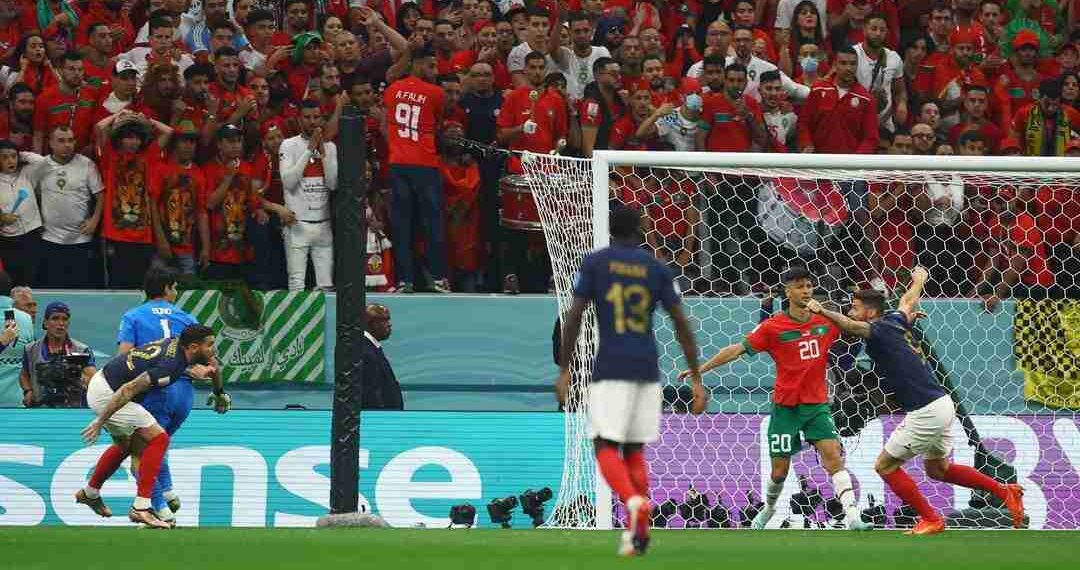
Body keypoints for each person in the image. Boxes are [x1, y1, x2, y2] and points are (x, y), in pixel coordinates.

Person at [807, 267, 1025, 535]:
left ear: (871, 312)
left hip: (926, 411)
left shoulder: (877, 329)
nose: (852, 312)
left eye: (855, 307)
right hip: (941, 404)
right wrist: (920, 279)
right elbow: (907, 301)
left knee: (884, 466)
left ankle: (931, 518)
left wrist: (822, 311)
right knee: (938, 469)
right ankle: (1004, 491)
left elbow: (851, 326)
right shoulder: (894, 322)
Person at [557, 204, 705, 557]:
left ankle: (633, 501)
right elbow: (681, 323)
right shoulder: (656, 268)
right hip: (648, 367)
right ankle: (638, 535)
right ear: (640, 230)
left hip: (611, 366)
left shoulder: (596, 263)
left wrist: (565, 369)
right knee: (635, 448)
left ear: (610, 229)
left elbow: (575, 315)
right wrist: (696, 376)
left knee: (605, 445)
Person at [681, 266, 873, 531]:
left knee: (833, 457)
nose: (805, 291)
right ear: (787, 291)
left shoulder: (825, 321)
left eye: (808, 285)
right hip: (785, 409)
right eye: (799, 286)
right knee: (779, 472)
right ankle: (769, 509)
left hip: (817, 406)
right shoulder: (773, 327)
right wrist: (699, 369)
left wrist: (904, 318)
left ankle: (854, 517)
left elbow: (859, 328)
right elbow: (736, 350)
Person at [114, 266, 227, 525]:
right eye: (175, 287)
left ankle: (160, 509)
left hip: (154, 392)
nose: (176, 292)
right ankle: (167, 491)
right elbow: (210, 360)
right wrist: (219, 392)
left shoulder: (133, 316)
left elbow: (125, 356)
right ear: (167, 288)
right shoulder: (186, 318)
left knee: (141, 454)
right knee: (160, 443)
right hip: (184, 394)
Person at [77, 325, 219, 530]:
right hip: (109, 394)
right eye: (210, 345)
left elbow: (156, 364)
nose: (214, 350)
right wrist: (100, 421)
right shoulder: (171, 366)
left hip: (104, 381)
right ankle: (141, 508)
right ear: (194, 347)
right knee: (158, 439)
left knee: (127, 447)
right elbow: (129, 388)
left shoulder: (177, 346)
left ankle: (90, 493)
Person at [383, 45, 448, 294]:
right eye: (430, 66)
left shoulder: (392, 90)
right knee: (432, 224)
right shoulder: (435, 93)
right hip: (425, 164)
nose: (434, 71)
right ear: (418, 64)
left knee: (401, 225)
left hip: (398, 163)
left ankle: (405, 280)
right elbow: (438, 122)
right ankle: (439, 277)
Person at [280, 100, 338, 291]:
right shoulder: (288, 145)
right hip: (298, 224)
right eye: (307, 117)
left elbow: (332, 183)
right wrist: (308, 150)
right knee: (296, 284)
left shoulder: (330, 148)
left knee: (326, 285)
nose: (312, 122)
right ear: (299, 119)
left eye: (316, 117)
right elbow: (288, 181)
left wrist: (323, 153)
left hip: (323, 223)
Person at [18, 302, 95, 408]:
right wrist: (28, 391)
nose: (61, 323)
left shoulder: (82, 350)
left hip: (74, 411)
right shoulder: (30, 349)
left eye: (64, 319)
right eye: (55, 318)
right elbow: (24, 374)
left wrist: (73, 375)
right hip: (39, 410)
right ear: (45, 323)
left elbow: (93, 381)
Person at [361, 303, 403, 410]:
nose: (389, 325)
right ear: (372, 323)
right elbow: (371, 393)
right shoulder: (366, 352)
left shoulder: (372, 348)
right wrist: (382, 418)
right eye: (385, 320)